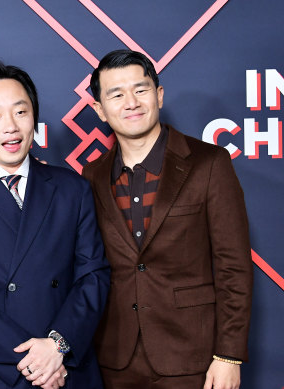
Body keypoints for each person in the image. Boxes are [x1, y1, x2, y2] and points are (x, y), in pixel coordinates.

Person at [0, 60, 110, 389]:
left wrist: (57, 346)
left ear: (34, 120)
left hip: (67, 366)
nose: (10, 126)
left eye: (20, 112)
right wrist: (32, 362)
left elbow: (92, 275)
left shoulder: (72, 188)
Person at [82, 49, 253, 389]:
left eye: (140, 89)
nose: (131, 102)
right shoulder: (92, 176)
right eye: (116, 94)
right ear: (100, 110)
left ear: (159, 95)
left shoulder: (209, 163)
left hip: (194, 358)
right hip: (115, 359)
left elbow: (233, 266)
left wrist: (229, 356)